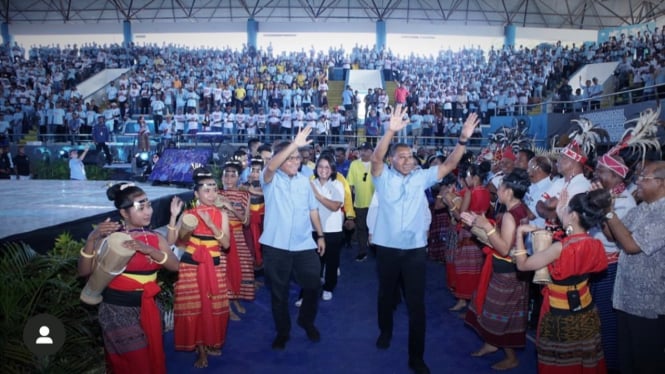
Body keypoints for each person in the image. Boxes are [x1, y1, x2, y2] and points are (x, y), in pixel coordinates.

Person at [370, 104, 479, 374]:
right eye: (402, 157)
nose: (408, 160)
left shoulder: (421, 178)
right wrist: (390, 132)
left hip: (415, 252)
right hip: (387, 250)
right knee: (386, 296)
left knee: (416, 305)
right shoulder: (382, 178)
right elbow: (375, 159)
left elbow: (451, 164)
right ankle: (385, 331)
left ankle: (416, 357)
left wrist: (463, 139)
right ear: (392, 160)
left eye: (411, 157)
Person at [78, 183, 179, 374]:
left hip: (149, 307)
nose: (148, 212)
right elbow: (84, 272)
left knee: (150, 360)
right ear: (124, 213)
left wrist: (151, 251)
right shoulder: (110, 237)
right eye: (141, 208)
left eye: (148, 205)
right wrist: (92, 239)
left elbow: (175, 266)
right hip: (117, 310)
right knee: (135, 364)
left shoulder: (156, 237)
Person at [513, 189, 611, 373]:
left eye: (566, 211)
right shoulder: (595, 243)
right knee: (584, 357)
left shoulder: (559, 248)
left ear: (573, 215)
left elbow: (523, 265)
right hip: (586, 310)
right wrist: (561, 212)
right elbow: (574, 233)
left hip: (559, 313)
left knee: (560, 363)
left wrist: (520, 234)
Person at [259, 126, 326, 350]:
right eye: (291, 157)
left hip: (303, 244)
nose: (296, 161)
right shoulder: (269, 179)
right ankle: (283, 332)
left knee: (313, 284)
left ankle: (306, 320)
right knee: (279, 293)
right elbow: (271, 166)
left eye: (298, 158)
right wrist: (294, 144)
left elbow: (313, 210)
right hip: (275, 246)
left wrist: (321, 235)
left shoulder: (304, 182)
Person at [460, 169, 531, 371]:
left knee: (499, 314)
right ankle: (492, 344)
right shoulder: (521, 209)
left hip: (507, 271)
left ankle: (510, 357)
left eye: (500, 187)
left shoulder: (510, 215)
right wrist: (480, 225)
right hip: (513, 269)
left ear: (508, 191)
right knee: (501, 311)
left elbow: (503, 248)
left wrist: (485, 226)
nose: (496, 190)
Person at [602, 160, 665, 374]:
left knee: (647, 363)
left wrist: (609, 212)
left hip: (648, 303)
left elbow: (630, 246)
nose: (637, 182)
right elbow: (613, 234)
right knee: (626, 361)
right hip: (625, 298)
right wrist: (603, 210)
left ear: (661, 183)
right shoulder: (643, 208)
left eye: (643, 178)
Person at [172, 167, 232, 368]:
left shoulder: (221, 215)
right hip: (191, 265)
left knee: (215, 306)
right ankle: (201, 349)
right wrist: (174, 217)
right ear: (196, 193)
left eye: (214, 189)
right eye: (206, 190)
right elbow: (175, 240)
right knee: (195, 308)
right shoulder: (188, 214)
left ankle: (211, 341)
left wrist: (211, 224)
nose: (212, 194)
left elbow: (226, 244)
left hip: (214, 265)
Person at [218, 159, 254, 321]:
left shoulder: (245, 195)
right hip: (221, 237)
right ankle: (227, 306)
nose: (229, 179)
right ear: (222, 178)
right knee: (223, 271)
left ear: (239, 177)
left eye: (233, 175)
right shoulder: (215, 194)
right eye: (226, 175)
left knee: (241, 268)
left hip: (238, 236)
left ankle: (236, 300)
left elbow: (246, 222)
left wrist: (231, 208)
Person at [310, 153, 345, 301]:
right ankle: (310, 290)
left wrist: (318, 196)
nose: (323, 170)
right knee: (314, 262)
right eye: (320, 166)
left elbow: (335, 206)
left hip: (333, 229)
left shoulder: (337, 184)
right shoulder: (310, 183)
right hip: (313, 229)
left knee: (331, 261)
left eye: (327, 167)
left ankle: (329, 287)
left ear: (332, 169)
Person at [346, 142, 375, 261]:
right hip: (360, 203)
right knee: (362, 228)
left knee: (376, 228)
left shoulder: (377, 163)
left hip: (376, 204)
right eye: (361, 150)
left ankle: (376, 249)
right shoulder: (354, 164)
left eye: (366, 150)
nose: (363, 152)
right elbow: (350, 185)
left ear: (371, 151)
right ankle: (363, 251)